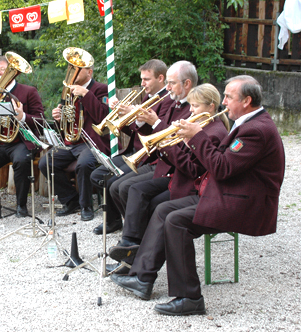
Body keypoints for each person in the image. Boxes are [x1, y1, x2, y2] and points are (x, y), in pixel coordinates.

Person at [113, 75, 285, 316]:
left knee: (176, 221)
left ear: (247, 101)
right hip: (227, 192)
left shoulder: (257, 130)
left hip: (244, 202)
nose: (223, 102)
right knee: (164, 209)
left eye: (228, 97)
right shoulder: (248, 122)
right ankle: (142, 277)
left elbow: (222, 168)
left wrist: (196, 136)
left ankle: (189, 297)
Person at [108, 83, 229, 275]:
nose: (191, 111)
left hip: (190, 187)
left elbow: (192, 169)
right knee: (142, 199)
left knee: (152, 205)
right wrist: (168, 143)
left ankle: (134, 256)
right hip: (179, 180)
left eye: (196, 106)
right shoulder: (200, 127)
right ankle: (132, 254)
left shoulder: (213, 132)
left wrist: (168, 146)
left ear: (211, 107)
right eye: (190, 105)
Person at [90, 59, 174, 235]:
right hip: (133, 151)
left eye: (146, 79)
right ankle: (115, 220)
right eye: (142, 79)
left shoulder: (166, 100)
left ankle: (130, 224)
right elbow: (134, 131)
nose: (142, 83)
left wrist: (135, 116)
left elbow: (159, 133)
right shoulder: (147, 96)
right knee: (98, 175)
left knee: (112, 182)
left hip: (148, 156)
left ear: (161, 78)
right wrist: (121, 119)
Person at [0, 55, 44, 218]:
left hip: (21, 141)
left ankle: (21, 205)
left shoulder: (28, 91)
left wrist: (22, 116)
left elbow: (40, 119)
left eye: (3, 70)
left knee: (21, 160)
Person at [39, 62, 110, 221]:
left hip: (94, 142)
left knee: (84, 163)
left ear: (89, 72)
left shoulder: (102, 89)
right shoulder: (69, 91)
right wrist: (59, 118)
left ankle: (86, 206)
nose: (73, 72)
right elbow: (66, 125)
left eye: (78, 70)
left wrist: (86, 94)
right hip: (72, 143)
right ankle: (71, 201)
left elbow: (103, 118)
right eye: (71, 69)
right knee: (45, 162)